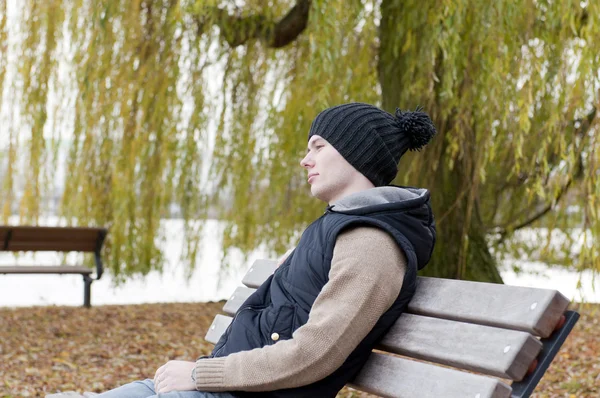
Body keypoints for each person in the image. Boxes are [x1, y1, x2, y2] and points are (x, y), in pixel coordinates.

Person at [61, 102, 437, 398]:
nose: (305, 160)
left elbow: (315, 353)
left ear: (357, 155)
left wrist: (199, 373)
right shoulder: (341, 228)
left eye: (318, 147)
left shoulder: (371, 243)